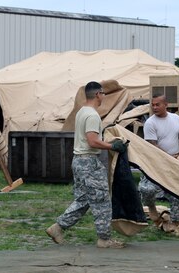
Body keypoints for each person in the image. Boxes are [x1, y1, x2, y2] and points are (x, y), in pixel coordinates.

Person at [46, 81, 128, 248]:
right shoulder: (92, 115)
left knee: (84, 199)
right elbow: (92, 141)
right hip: (89, 162)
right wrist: (112, 146)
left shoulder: (81, 112)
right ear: (98, 94)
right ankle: (104, 239)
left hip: (79, 161)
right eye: (103, 93)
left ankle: (58, 228)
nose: (103, 96)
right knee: (102, 199)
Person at [138, 94, 179, 231]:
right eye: (153, 105)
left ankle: (175, 221)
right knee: (147, 189)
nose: (154, 107)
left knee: (176, 193)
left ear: (166, 105)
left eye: (158, 104)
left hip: (174, 164)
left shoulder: (176, 118)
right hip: (156, 164)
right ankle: (151, 207)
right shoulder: (150, 123)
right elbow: (152, 144)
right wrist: (169, 157)